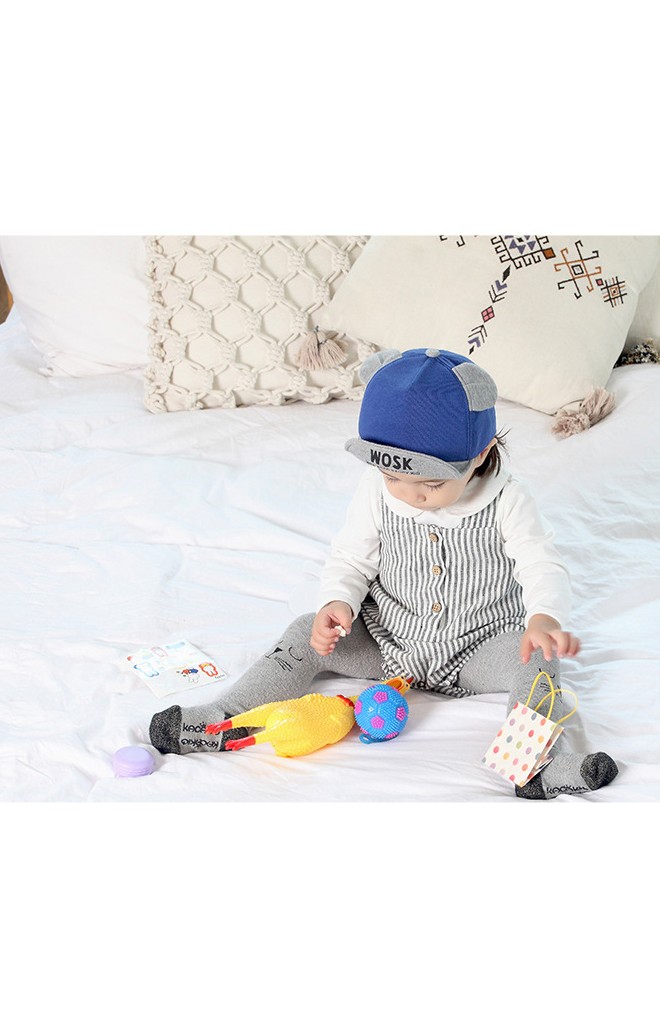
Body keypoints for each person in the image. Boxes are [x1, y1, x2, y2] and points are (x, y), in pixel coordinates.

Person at [150, 347, 618, 800]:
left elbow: (541, 563)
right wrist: (338, 601)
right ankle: (226, 720)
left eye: (432, 483)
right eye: (394, 478)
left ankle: (533, 765)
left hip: (478, 647)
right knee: (303, 631)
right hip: (390, 639)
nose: (410, 495)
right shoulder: (376, 492)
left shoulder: (508, 501)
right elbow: (352, 557)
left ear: (481, 454)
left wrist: (544, 618)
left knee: (538, 659)